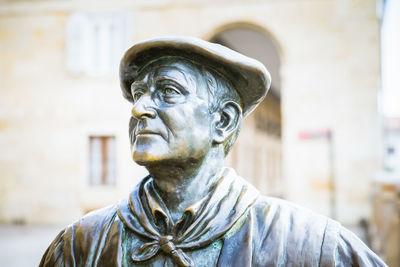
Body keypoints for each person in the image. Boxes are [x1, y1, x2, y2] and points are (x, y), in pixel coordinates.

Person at [40, 36, 387, 266]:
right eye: (139, 92)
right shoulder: (80, 244)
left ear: (222, 120)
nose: (139, 108)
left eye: (168, 91)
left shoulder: (309, 245)